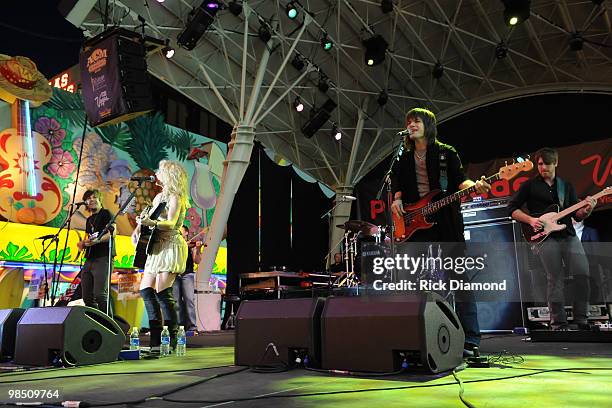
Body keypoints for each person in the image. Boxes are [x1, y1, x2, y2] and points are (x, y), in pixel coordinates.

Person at [390, 107, 490, 356]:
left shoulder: (446, 153)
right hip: (415, 225)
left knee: (458, 279)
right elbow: (398, 187)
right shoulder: (402, 158)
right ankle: (419, 336)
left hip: (446, 222)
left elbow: (460, 181)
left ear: (428, 125)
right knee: (414, 281)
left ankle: (471, 339)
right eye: (409, 121)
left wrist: (474, 186)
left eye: (416, 121)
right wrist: (396, 200)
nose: (412, 125)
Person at [509, 148, 596, 330]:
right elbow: (512, 209)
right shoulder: (529, 186)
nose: (543, 167)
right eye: (540, 164)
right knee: (554, 278)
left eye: (547, 163)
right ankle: (558, 323)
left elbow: (577, 216)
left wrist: (587, 209)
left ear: (555, 163)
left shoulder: (567, 186)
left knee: (583, 274)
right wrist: (531, 220)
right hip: (545, 238)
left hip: (568, 235)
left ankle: (581, 319)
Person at [131, 160, 189, 350]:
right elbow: (151, 220)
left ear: (169, 175)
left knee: (163, 292)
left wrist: (150, 223)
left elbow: (171, 223)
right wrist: (139, 228)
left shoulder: (176, 197)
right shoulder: (158, 198)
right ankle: (156, 337)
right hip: (155, 246)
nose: (157, 173)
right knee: (146, 290)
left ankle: (171, 337)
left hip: (170, 244)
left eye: (160, 170)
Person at [77, 189, 116, 314]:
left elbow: (113, 233)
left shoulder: (106, 213)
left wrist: (98, 240)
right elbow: (88, 237)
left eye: (94, 197)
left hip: (103, 257)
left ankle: (109, 326)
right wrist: (83, 243)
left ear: (99, 199)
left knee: (100, 294)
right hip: (89, 259)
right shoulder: (89, 220)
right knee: (87, 297)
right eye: (88, 198)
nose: (91, 200)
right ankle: (97, 322)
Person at [172, 225, 203, 332]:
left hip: (187, 274)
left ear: (186, 233)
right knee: (176, 302)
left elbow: (197, 260)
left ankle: (192, 326)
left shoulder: (191, 245)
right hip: (174, 274)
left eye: (181, 230)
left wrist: (198, 249)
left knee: (189, 300)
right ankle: (179, 326)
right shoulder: (174, 244)